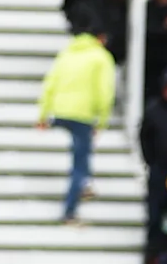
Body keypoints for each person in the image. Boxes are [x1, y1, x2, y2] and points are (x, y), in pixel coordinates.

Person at [38, 28, 119, 224]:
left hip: (60, 111)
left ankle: (84, 186)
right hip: (83, 114)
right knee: (80, 163)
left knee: (81, 151)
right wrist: (102, 120)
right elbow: (105, 91)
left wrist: (43, 114)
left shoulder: (67, 53)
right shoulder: (101, 57)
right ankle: (70, 211)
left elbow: (50, 83)